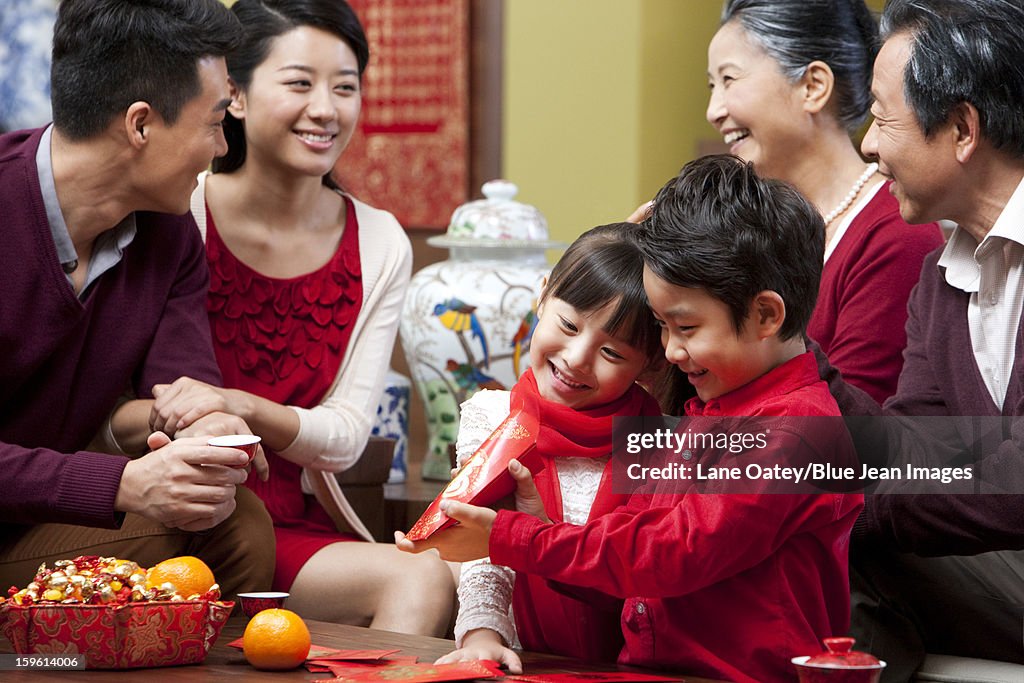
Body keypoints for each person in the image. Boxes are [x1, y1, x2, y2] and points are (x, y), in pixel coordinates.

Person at [400, 155, 864, 683]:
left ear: (765, 315)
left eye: (684, 327)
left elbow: (670, 553)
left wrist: (516, 538)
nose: (669, 351)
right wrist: (540, 532)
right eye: (662, 328)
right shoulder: (707, 413)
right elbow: (630, 558)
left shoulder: (797, 433)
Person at [141, 0, 454, 635]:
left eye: (345, 87)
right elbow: (126, 396)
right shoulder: (178, 209)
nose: (326, 108)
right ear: (235, 94)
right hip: (160, 506)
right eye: (299, 83)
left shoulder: (380, 240)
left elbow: (343, 437)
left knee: (424, 572)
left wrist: (242, 405)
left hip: (293, 526)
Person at [0, 0, 275, 599]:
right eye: (214, 122)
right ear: (141, 124)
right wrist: (120, 484)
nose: (222, 148)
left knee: (233, 521)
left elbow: (181, 386)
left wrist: (211, 425)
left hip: (31, 533)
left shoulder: (168, 231)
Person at [810, 0, 1024, 678]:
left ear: (962, 128)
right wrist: (786, 352)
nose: (869, 144)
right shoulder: (942, 271)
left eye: (880, 116)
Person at [438, 223, 666, 672]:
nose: (578, 357)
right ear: (542, 294)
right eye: (568, 325)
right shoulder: (493, 415)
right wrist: (482, 634)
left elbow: (644, 565)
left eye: (613, 353)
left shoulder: (654, 436)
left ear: (652, 361)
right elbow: (486, 549)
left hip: (628, 664)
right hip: (527, 660)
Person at [701, 0, 944, 404]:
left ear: (813, 86)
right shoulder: (744, 230)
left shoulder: (896, 236)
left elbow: (845, 428)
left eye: (729, 79)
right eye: (712, 86)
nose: (714, 110)